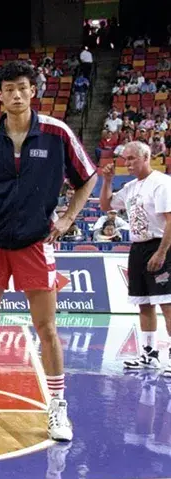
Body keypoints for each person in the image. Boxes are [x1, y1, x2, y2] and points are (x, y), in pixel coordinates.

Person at [0, 60, 97, 441]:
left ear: (33, 91)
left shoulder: (57, 133)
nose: (15, 94)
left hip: (35, 242)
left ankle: (57, 407)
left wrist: (67, 218)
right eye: (8, 88)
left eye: (22, 88)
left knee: (47, 328)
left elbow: (89, 177)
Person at [100, 141, 171, 376]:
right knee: (144, 303)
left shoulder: (161, 183)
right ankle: (149, 354)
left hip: (160, 244)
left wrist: (161, 252)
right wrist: (107, 181)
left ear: (146, 157)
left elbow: (170, 221)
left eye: (132, 158)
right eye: (125, 159)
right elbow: (106, 206)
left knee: (167, 304)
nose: (127, 163)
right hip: (138, 248)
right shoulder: (130, 187)